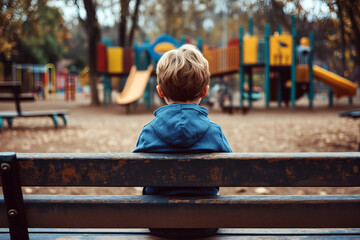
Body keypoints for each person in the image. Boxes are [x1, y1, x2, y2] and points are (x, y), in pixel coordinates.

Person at [133, 44, 232, 239]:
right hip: (205, 223)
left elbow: (137, 175)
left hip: (159, 223)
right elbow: (229, 173)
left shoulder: (148, 132)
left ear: (160, 91)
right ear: (205, 91)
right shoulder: (215, 132)